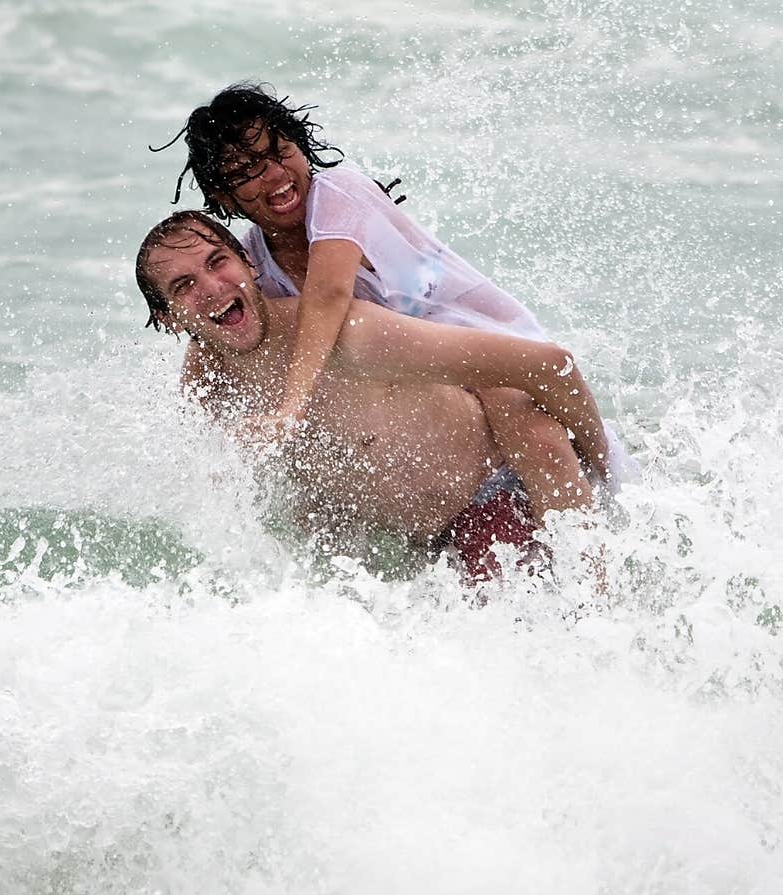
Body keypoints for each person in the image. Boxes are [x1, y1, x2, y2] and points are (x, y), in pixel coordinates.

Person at [153, 82, 631, 490]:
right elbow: (215, 341)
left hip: (497, 355)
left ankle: (607, 489)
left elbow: (327, 297)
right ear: (221, 195)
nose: (275, 175)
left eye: (281, 152)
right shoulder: (250, 261)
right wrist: (202, 446)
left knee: (525, 420)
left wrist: (290, 409)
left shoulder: (340, 192)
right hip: (443, 395)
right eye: (248, 171)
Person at [135, 211, 609, 581]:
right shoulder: (207, 388)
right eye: (184, 286)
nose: (212, 288)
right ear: (168, 319)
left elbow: (549, 365)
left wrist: (602, 464)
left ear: (250, 265)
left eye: (218, 263)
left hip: (499, 499)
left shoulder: (347, 335)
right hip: (416, 547)